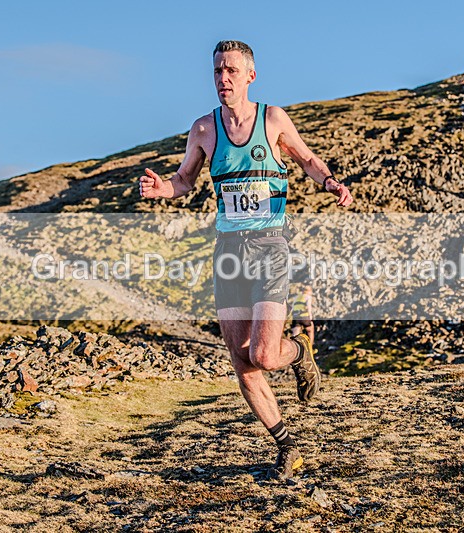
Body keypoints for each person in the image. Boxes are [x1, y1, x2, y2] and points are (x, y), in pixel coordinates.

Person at [139, 40, 353, 481]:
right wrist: (164, 190)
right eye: (218, 71)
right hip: (228, 255)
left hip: (270, 248)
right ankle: (287, 446)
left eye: (232, 71)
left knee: (265, 354)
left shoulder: (272, 119)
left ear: (250, 75)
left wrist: (330, 183)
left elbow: (308, 159)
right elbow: (184, 180)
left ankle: (299, 352)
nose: (223, 79)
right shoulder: (203, 129)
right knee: (243, 362)